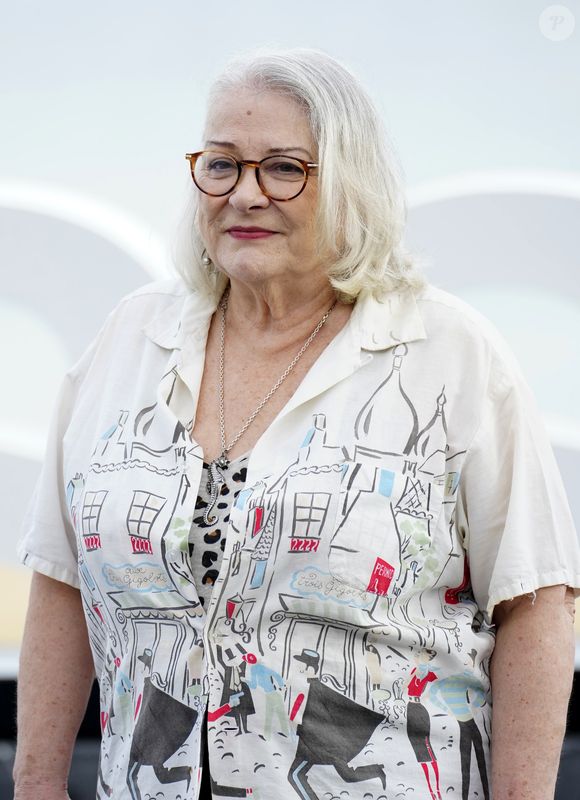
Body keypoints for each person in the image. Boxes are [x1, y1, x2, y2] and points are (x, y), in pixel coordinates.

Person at [13, 47, 580, 800]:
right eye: (221, 165)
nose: (245, 195)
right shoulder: (129, 340)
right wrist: (35, 784)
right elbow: (60, 582)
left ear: (351, 182)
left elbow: (536, 602)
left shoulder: (450, 354)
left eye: (283, 168)